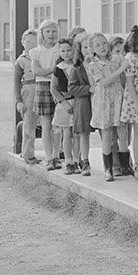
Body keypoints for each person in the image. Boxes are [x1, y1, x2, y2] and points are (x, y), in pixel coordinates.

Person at [85, 32, 126, 182]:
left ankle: (125, 165)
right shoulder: (93, 64)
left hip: (118, 98)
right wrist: (121, 70)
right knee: (107, 134)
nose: (102, 47)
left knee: (123, 133)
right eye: (97, 45)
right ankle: (108, 168)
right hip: (104, 101)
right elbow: (103, 82)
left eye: (103, 43)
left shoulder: (116, 59)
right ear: (92, 49)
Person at [30, 19, 61, 170]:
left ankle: (56, 156)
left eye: (54, 31)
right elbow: (37, 71)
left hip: (58, 87)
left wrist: (49, 71)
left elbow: (61, 72)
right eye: (48, 31)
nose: (51, 34)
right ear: (42, 33)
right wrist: (53, 70)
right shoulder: (35, 52)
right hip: (42, 87)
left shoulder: (60, 50)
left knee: (58, 124)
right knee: (46, 124)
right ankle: (48, 157)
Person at [120, 25, 138, 180]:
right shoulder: (131, 58)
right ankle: (137, 164)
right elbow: (130, 84)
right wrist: (137, 104)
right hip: (135, 99)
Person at [50, 38, 78, 174]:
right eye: (63, 51)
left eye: (68, 50)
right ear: (59, 52)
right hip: (64, 104)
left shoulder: (78, 66)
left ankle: (78, 160)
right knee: (66, 133)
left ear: (73, 50)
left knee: (77, 134)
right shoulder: (58, 68)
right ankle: (68, 161)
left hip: (78, 102)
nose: (66, 53)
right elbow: (53, 89)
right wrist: (64, 103)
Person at [68, 34, 93, 177]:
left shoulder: (101, 64)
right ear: (80, 50)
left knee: (106, 131)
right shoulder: (76, 68)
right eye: (85, 47)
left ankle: (112, 163)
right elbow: (72, 88)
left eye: (91, 46)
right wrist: (88, 89)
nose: (89, 49)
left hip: (99, 102)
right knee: (84, 133)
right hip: (83, 103)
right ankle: (84, 161)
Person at [13, 28, 39, 163]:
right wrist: (19, 101)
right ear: (23, 42)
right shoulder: (20, 61)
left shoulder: (41, 56)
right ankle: (28, 155)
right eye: (28, 41)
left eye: (35, 41)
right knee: (28, 124)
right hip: (27, 94)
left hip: (42, 91)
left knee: (48, 124)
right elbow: (16, 82)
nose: (31, 44)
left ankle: (54, 155)